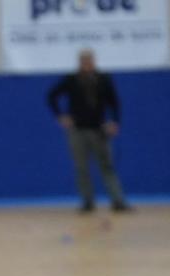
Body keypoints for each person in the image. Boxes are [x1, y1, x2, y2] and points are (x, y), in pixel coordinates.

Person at [47, 49, 131, 213]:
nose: (87, 64)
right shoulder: (71, 80)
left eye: (89, 61)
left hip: (99, 129)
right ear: (79, 63)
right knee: (82, 167)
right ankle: (87, 202)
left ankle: (118, 201)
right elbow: (51, 96)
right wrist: (60, 116)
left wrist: (114, 121)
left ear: (94, 62)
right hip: (77, 130)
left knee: (107, 165)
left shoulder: (104, 79)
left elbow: (114, 102)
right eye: (83, 61)